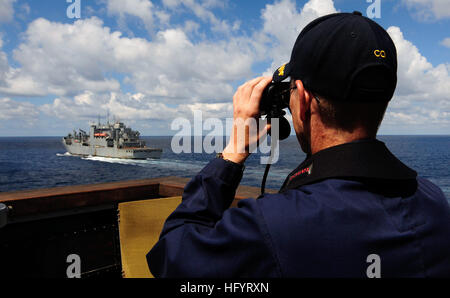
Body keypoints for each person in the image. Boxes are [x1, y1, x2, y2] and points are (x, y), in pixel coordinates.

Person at [147, 12, 450, 278]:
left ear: (302, 100)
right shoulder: (434, 203)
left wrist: (232, 153)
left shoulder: (273, 227)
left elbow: (172, 256)